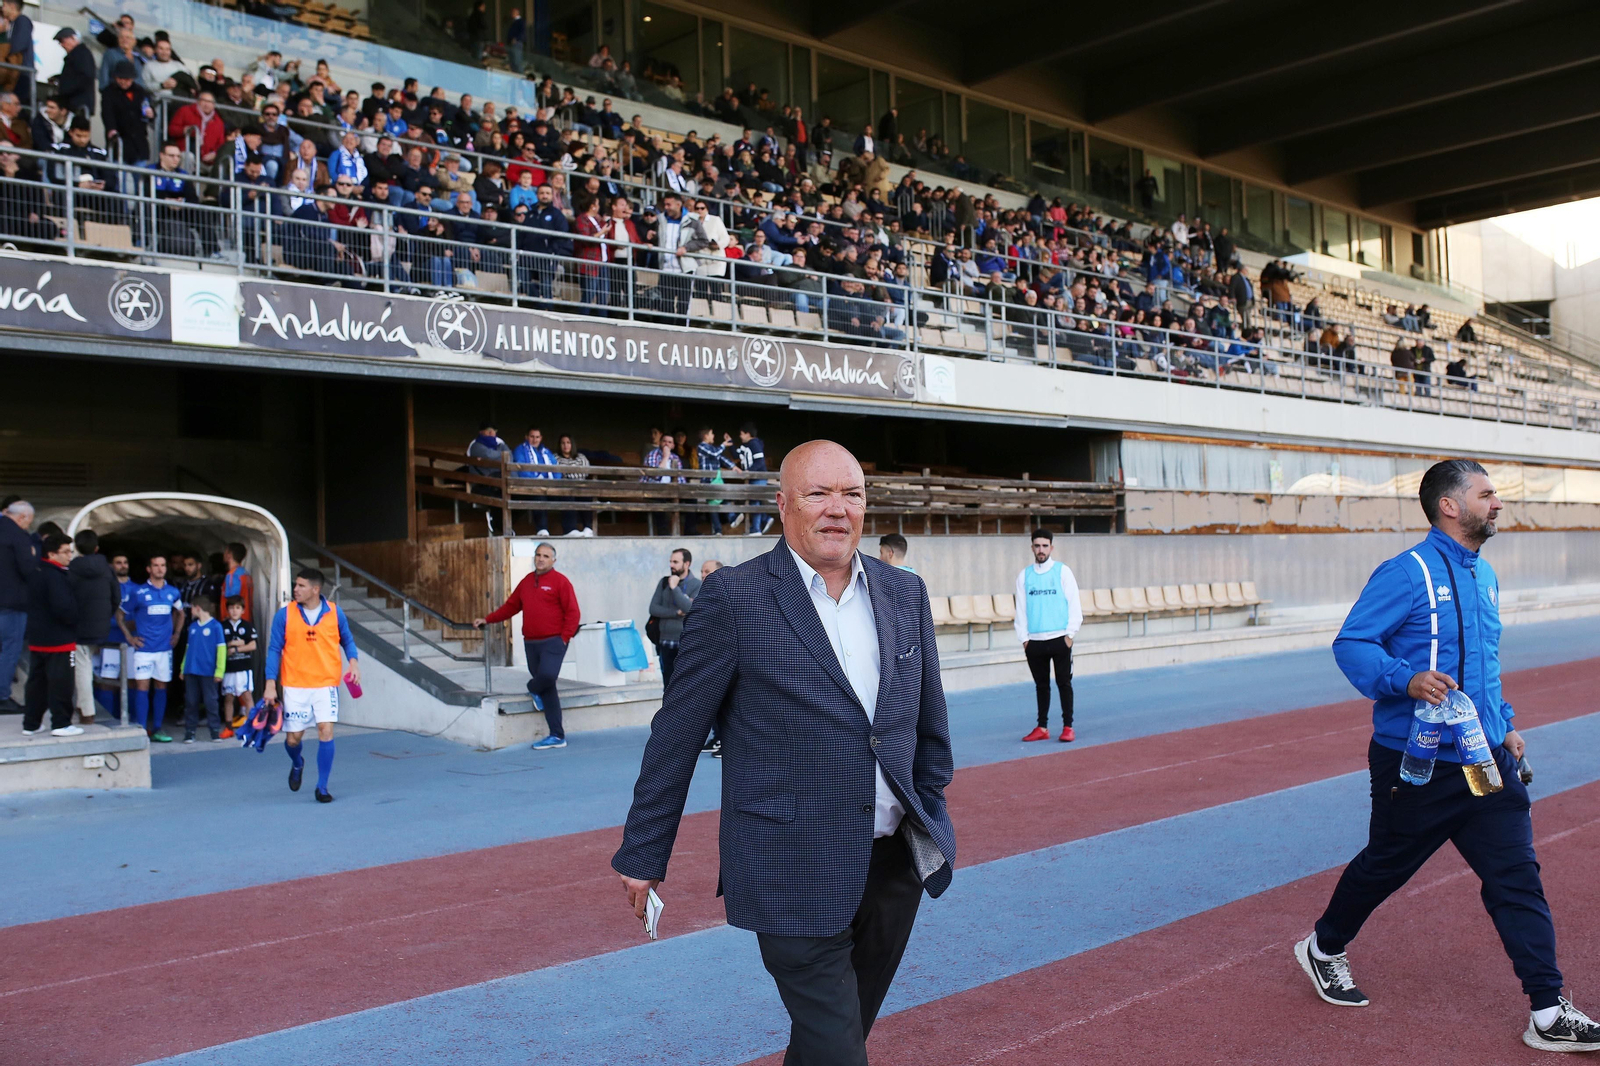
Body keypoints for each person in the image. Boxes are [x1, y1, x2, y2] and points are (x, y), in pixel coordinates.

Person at [613, 440, 955, 1066]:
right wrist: (645, 852)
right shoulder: (736, 597)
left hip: (889, 871)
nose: (837, 510)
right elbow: (678, 731)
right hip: (789, 866)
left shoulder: (906, 593)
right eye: (817, 494)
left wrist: (927, 806)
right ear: (783, 505)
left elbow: (928, 725)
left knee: (835, 1040)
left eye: (851, 494)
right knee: (839, 1052)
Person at [1297, 459, 1600, 1053]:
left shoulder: (1484, 575)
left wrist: (1504, 725)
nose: (1498, 503)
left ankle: (1546, 1008)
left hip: (1486, 761)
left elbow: (1483, 663)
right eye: (1487, 494)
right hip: (1415, 761)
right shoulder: (1405, 573)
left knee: (1516, 875)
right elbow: (1352, 642)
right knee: (1387, 864)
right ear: (1450, 506)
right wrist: (1403, 680)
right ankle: (1324, 946)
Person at [263, 568, 360, 803]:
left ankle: (322, 787)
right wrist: (270, 684)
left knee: (325, 730)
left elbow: (347, 639)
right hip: (295, 685)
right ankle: (298, 763)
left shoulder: (335, 613)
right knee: (293, 739)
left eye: (301, 586)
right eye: (295, 585)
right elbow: (274, 649)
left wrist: (354, 663)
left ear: (315, 589)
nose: (295, 589)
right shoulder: (284, 615)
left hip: (326, 684)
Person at [474, 542, 579, 750]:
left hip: (554, 642)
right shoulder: (527, 582)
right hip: (531, 643)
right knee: (548, 689)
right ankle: (557, 736)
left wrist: (564, 638)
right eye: (538, 555)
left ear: (553, 561)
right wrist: (488, 619)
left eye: (546, 556)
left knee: (547, 677)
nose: (541, 559)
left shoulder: (561, 582)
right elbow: (511, 607)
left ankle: (532, 688)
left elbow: (573, 613)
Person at [1014, 528, 1083, 743]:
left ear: (1051, 547)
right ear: (1032, 547)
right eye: (1037, 545)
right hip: (1035, 642)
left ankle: (1068, 726)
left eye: (1045, 546)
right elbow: (1021, 609)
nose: (1041, 550)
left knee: (1064, 683)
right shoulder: (1024, 576)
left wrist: (1070, 634)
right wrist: (1024, 639)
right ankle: (1042, 727)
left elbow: (1074, 604)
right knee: (1041, 686)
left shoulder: (1063, 572)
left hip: (1060, 639)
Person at [21, 533, 80, 736]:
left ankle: (31, 723)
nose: (69, 556)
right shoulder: (56, 576)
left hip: (38, 638)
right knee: (61, 683)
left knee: (37, 683)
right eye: (65, 552)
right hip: (59, 640)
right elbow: (63, 607)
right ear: (52, 553)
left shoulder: (35, 572)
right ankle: (62, 723)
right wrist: (75, 619)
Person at [127, 553, 184, 741]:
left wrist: (176, 634)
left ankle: (158, 729)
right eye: (156, 565)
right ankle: (142, 730)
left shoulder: (173, 592)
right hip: (143, 650)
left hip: (164, 649)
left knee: (161, 686)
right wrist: (130, 637)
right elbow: (120, 615)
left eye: (163, 565)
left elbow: (180, 613)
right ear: (149, 569)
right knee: (142, 687)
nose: (160, 568)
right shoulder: (139, 592)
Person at [66, 529, 119, 727]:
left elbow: (66, 597)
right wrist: (105, 616)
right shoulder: (107, 569)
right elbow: (116, 598)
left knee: (82, 666)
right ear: (97, 548)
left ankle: (87, 711)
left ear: (77, 548)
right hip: (101, 626)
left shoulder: (72, 568)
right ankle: (82, 706)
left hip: (77, 625)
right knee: (87, 664)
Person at [0, 498, 37, 712]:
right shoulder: (19, 536)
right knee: (10, 650)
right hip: (12, 603)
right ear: (22, 517)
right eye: (28, 522)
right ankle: (2, 696)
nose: (28, 526)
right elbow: (28, 569)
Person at [647, 548, 699, 691]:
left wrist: (675, 588)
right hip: (665, 642)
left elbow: (689, 608)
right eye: (670, 561)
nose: (671, 565)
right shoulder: (663, 582)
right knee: (668, 687)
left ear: (687, 564)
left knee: (686, 688)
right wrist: (676, 612)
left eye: (675, 562)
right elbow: (654, 608)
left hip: (686, 644)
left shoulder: (697, 585)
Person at [180, 594, 227, 743]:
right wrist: (182, 668)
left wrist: (220, 670)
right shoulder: (193, 627)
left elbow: (221, 650)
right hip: (191, 671)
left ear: (197, 608)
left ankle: (214, 731)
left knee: (211, 701)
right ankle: (190, 731)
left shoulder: (216, 626)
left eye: (192, 608)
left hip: (208, 671)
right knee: (191, 701)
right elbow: (188, 649)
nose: (191, 611)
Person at [512, 427, 560, 536]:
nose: (535, 440)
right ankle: (542, 529)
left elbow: (556, 469)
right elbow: (521, 469)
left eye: (537, 437)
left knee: (568, 495)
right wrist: (538, 481)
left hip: (550, 486)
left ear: (541, 438)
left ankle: (570, 530)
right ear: (526, 437)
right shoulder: (520, 449)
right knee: (539, 495)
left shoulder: (546, 452)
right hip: (530, 486)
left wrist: (556, 484)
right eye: (532, 437)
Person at [221, 596, 256, 732]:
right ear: (227, 610)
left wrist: (236, 649)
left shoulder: (247, 626)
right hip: (229, 668)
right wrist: (232, 643)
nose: (234, 611)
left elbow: (253, 645)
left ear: (242, 610)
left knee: (247, 696)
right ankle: (228, 727)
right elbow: (220, 646)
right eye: (231, 608)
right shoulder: (222, 626)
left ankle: (252, 726)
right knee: (228, 697)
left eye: (237, 608)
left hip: (244, 667)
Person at [54, 28, 97, 116]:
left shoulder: (82, 54)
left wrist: (65, 89)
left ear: (73, 38)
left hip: (78, 104)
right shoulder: (77, 54)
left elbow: (85, 77)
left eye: (63, 41)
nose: (62, 45)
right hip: (75, 103)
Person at [736, 422, 769, 534]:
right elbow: (737, 456)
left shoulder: (754, 444)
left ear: (747, 434)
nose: (740, 436)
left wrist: (749, 471)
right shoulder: (746, 445)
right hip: (753, 477)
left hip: (758, 477)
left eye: (741, 434)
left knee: (754, 502)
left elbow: (760, 462)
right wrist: (730, 444)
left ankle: (756, 528)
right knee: (754, 501)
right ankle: (764, 520)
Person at [220, 542, 252, 622]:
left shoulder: (232, 575)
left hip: (234, 621)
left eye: (225, 552)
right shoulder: (246, 574)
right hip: (246, 618)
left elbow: (232, 600)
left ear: (229, 555)